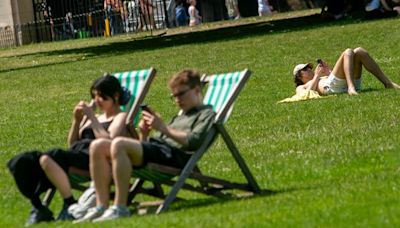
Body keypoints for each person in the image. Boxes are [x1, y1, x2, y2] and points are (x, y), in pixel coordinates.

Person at [75, 69, 216, 223]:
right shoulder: (182, 115)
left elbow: (194, 141)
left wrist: (163, 128)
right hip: (158, 151)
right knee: (98, 145)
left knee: (118, 143)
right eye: (174, 96)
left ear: (196, 90)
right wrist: (144, 134)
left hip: (172, 156)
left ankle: (120, 208)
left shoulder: (206, 114)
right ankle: (100, 206)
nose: (177, 100)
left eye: (181, 94)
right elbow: (152, 145)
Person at [7, 74, 131, 226]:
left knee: (50, 157)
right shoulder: (95, 116)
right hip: (76, 154)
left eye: (101, 96)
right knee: (22, 161)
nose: (97, 100)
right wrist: (77, 120)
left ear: (116, 96)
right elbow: (73, 143)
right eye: (95, 96)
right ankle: (39, 207)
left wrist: (92, 118)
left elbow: (109, 141)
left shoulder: (120, 116)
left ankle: (69, 204)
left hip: (95, 159)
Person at [293, 47, 400, 96]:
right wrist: (316, 76)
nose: (309, 69)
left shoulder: (322, 78)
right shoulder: (301, 87)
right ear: (299, 77)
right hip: (332, 88)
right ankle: (351, 88)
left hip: (341, 84)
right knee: (348, 52)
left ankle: (388, 83)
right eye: (305, 69)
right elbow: (305, 95)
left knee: (359, 51)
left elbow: (337, 79)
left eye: (309, 68)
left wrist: (328, 72)